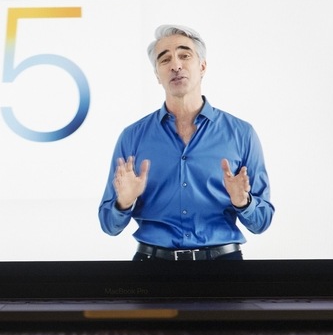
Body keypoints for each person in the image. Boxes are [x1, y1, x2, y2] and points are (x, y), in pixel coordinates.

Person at [98, 24, 274, 261]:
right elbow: (109, 225)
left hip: (224, 268)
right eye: (164, 59)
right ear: (157, 75)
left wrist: (243, 202)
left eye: (184, 55)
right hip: (152, 268)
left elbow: (261, 222)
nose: (175, 65)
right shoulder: (132, 137)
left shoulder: (241, 133)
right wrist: (124, 202)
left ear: (202, 66)